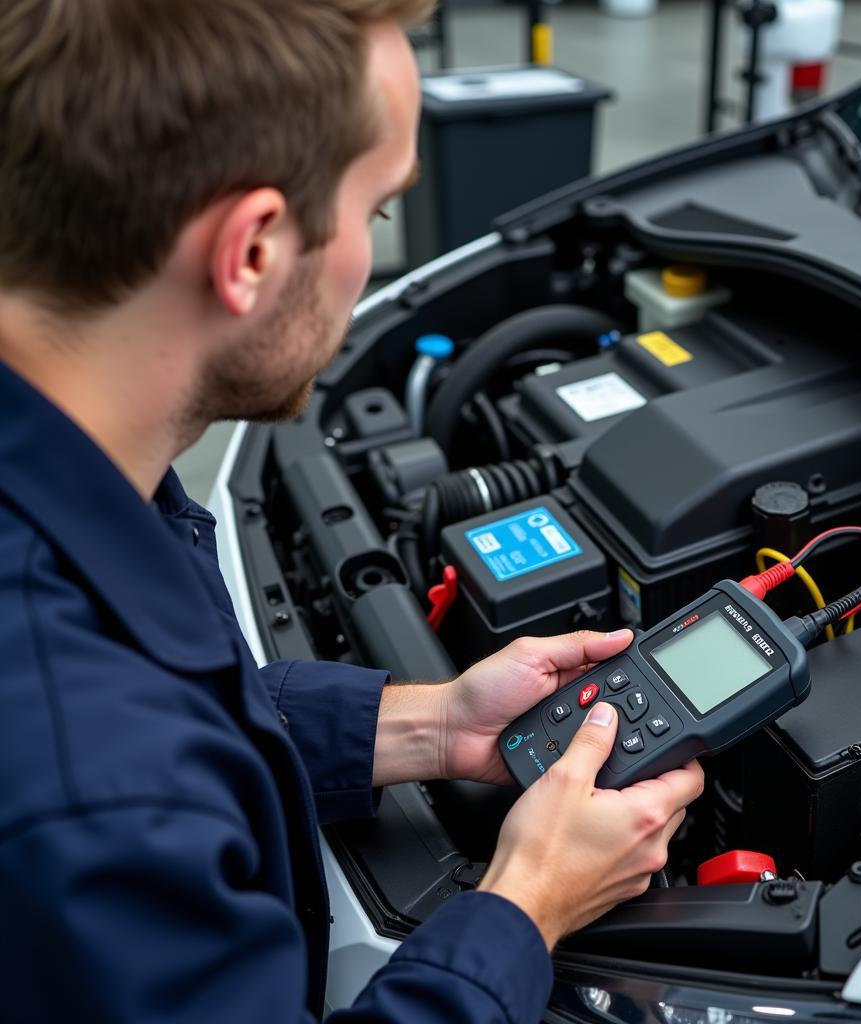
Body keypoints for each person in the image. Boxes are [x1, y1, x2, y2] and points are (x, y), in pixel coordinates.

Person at [0, 2, 705, 1022]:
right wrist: (527, 904)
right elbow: (131, 770)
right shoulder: (90, 795)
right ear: (249, 252)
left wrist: (427, 725)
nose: (373, 261)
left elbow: (190, 717)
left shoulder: (84, 471)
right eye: (377, 212)